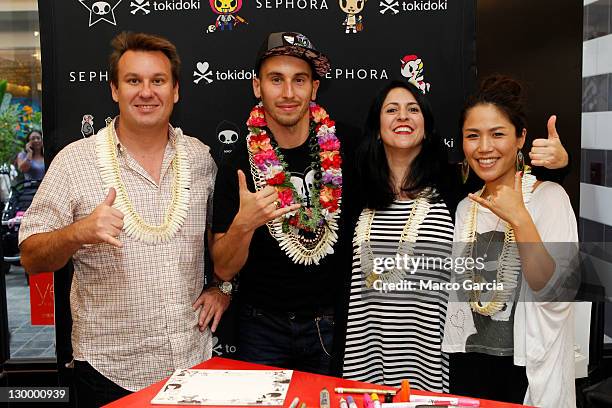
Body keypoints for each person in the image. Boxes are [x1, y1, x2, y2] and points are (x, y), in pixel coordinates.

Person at [19, 32, 227, 407]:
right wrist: (77, 233)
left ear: (175, 90)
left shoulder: (200, 159)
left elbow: (222, 240)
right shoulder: (74, 162)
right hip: (109, 373)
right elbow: (32, 257)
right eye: (134, 81)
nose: (146, 92)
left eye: (157, 81)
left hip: (193, 364)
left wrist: (222, 288)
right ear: (115, 90)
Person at [211, 32, 352, 375]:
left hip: (331, 323)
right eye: (277, 79)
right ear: (258, 87)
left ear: (314, 89)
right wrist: (244, 224)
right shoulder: (239, 164)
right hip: (262, 327)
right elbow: (223, 269)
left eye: (299, 80)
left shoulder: (349, 146)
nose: (288, 93)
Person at [442, 75, 578, 407]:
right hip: (469, 365)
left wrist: (519, 218)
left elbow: (556, 294)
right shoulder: (465, 207)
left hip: (527, 371)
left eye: (498, 134)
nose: (484, 147)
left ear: (521, 139)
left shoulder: (549, 198)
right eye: (472, 136)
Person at [341, 80, 455, 392]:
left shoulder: (453, 185)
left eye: (413, 109)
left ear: (427, 128)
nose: (402, 116)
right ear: (378, 128)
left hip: (431, 359)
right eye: (392, 110)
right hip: (365, 360)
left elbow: (505, 177)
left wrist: (557, 170)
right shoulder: (354, 189)